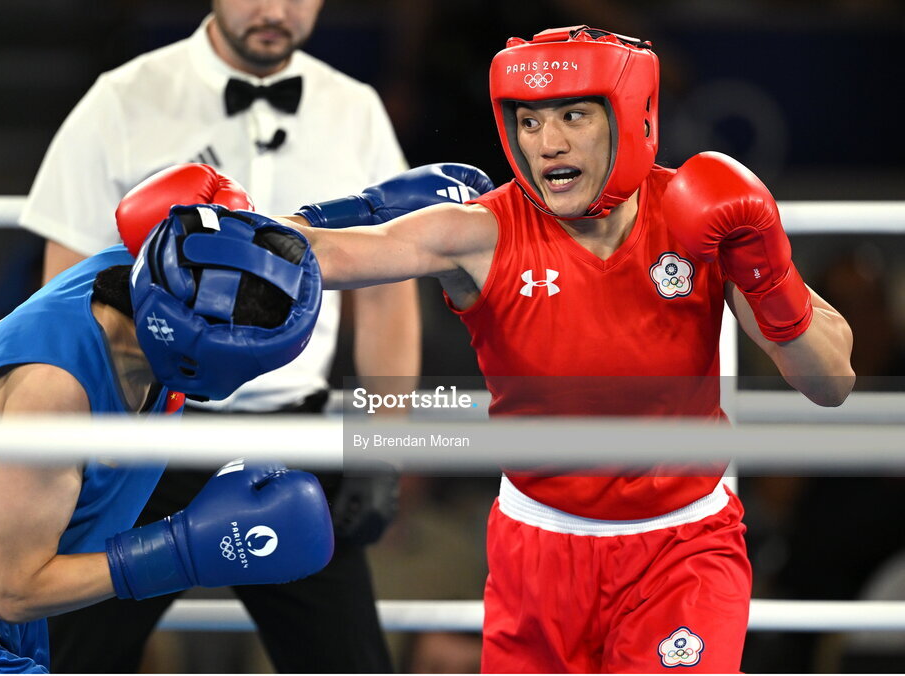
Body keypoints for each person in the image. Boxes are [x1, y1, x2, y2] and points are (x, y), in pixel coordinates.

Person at [129, 26, 856, 672]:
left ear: (632, 120)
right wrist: (226, 226)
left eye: (573, 115)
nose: (548, 142)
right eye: (530, 119)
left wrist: (769, 273)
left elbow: (830, 383)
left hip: (681, 548)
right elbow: (341, 253)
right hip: (536, 552)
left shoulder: (696, 219)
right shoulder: (483, 231)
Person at [18, 1, 419, 671]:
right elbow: (63, 296)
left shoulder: (354, 110)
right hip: (146, 439)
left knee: (349, 663)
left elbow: (388, 300)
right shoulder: (122, 101)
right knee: (76, 658)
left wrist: (383, 448)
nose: (274, 10)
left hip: (295, 442)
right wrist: (82, 448)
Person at [0, 200, 334, 673]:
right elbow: (17, 590)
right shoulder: (54, 393)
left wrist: (375, 211)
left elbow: (278, 260)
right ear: (208, 354)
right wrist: (183, 552)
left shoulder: (160, 272)